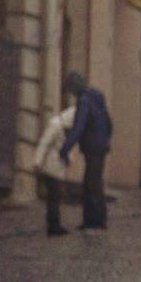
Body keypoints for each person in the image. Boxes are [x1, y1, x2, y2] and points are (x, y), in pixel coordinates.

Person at [59, 72, 113, 232]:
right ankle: (96, 219)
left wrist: (65, 148)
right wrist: (107, 138)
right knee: (95, 182)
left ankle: (94, 220)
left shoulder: (84, 101)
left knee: (91, 183)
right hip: (101, 146)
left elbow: (79, 127)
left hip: (92, 146)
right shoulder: (97, 96)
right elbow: (108, 121)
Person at [33, 100, 77, 237]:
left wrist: (69, 159)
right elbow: (44, 143)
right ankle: (53, 225)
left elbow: (66, 146)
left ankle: (55, 223)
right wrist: (37, 162)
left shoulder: (66, 128)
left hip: (58, 166)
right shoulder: (55, 124)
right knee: (54, 196)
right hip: (51, 166)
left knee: (56, 196)